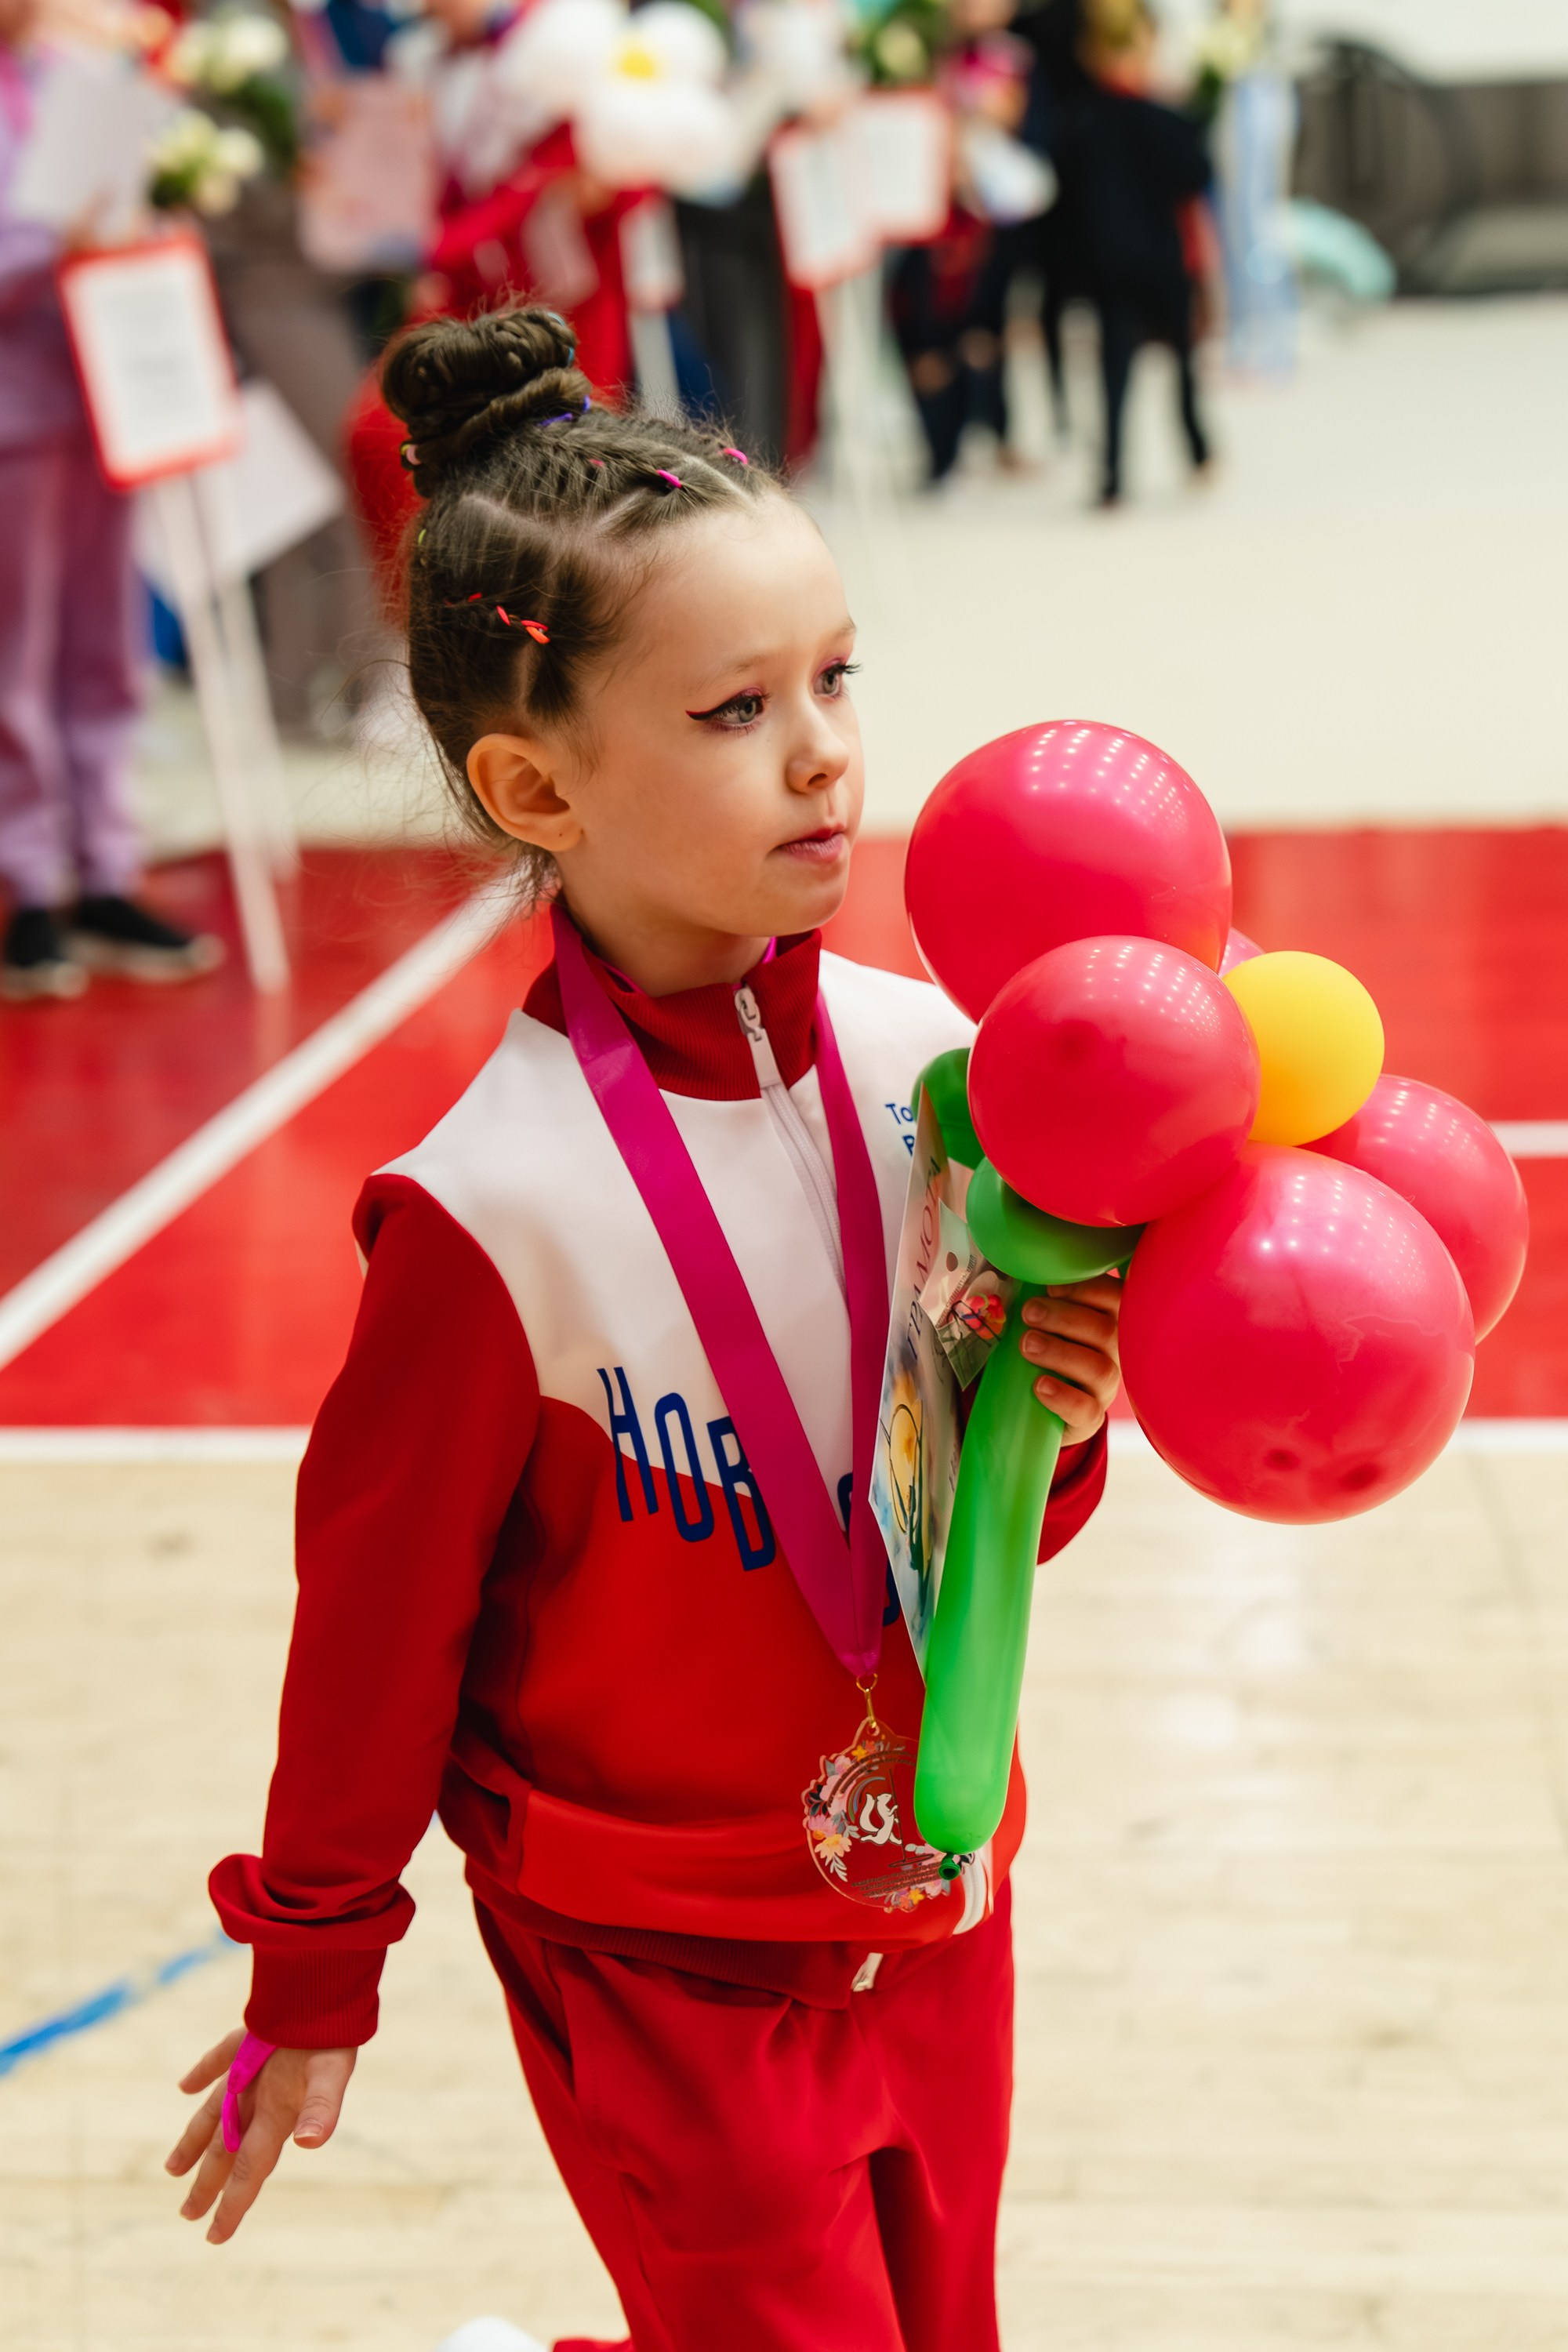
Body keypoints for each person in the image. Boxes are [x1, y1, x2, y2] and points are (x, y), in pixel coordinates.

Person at [164, 306, 1124, 2352]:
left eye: (838, 676)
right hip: (651, 1956)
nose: (825, 749)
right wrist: (315, 1966)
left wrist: (1066, 1412)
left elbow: (976, 1523)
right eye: (734, 708)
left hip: (934, 1900)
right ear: (536, 785)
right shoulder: (488, 1211)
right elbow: (372, 1637)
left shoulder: (944, 1080)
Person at [0, 0, 223, 998]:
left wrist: (154, 206)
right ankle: (29, 883)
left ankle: (105, 867)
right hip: (13, 411)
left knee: (106, 643)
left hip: (102, 396)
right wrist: (55, 240)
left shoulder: (74, 73)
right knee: (15, 658)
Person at [1056, 0, 1214, 504]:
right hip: (1162, 256)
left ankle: (1112, 476)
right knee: (1182, 361)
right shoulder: (1165, 118)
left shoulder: (1079, 120)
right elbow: (1197, 176)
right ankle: (1197, 451)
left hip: (1108, 260)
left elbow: (1065, 198)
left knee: (1115, 369)